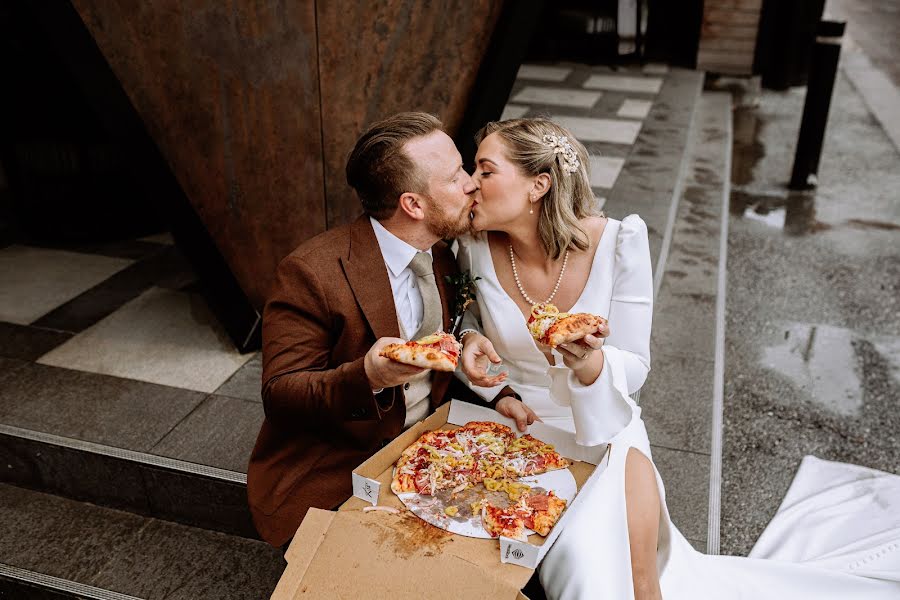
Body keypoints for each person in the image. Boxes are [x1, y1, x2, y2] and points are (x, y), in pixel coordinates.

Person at [457, 118, 900, 599]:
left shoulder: (620, 242)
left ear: (538, 186)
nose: (469, 184)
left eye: (485, 170)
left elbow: (634, 362)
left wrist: (590, 365)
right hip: (511, 427)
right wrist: (474, 346)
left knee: (585, 572)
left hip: (601, 419)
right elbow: (469, 325)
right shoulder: (472, 246)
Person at [246, 112, 514, 548]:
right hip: (337, 465)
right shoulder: (311, 272)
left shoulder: (443, 255)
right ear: (413, 205)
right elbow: (280, 394)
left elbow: (438, 332)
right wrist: (367, 377)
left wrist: (462, 342)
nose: (472, 183)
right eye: (455, 177)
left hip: (428, 451)